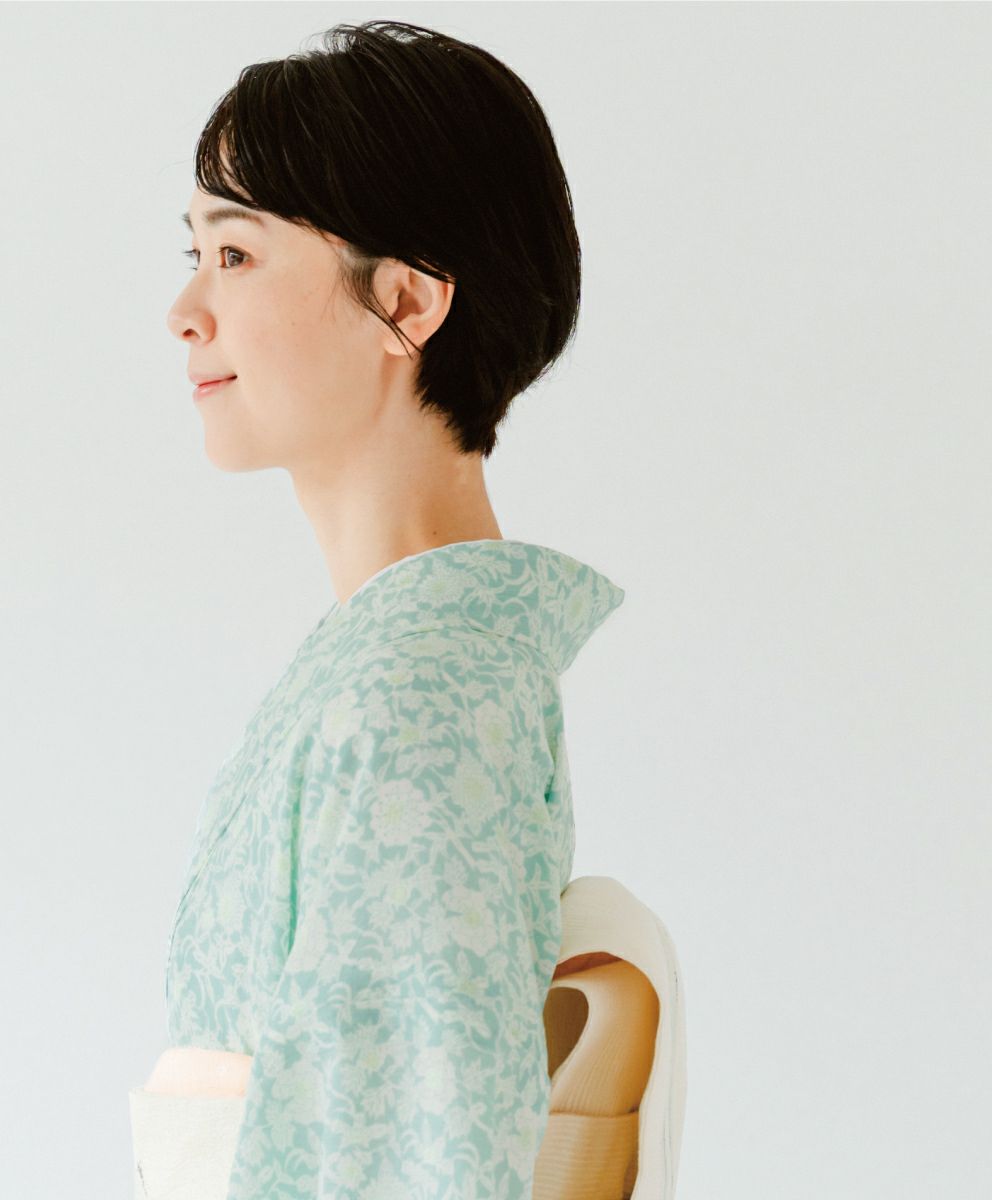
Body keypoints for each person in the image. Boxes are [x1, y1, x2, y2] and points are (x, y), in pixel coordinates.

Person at [134, 19, 626, 1200]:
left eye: (235, 254)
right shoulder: (415, 671)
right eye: (193, 253)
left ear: (404, 301)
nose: (185, 310)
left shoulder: (412, 703)